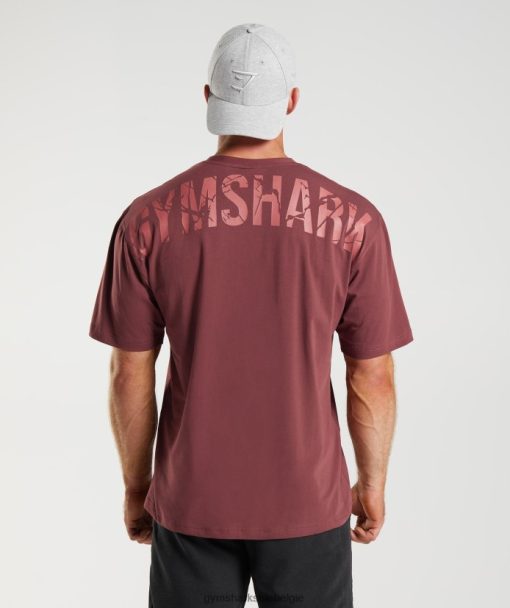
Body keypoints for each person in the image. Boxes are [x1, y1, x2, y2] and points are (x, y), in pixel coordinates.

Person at [89, 23, 414, 608]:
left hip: (191, 501)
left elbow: (128, 372)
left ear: (208, 98)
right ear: (291, 101)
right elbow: (373, 376)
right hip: (308, 503)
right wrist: (372, 484)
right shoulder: (356, 222)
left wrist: (138, 488)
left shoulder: (145, 220)